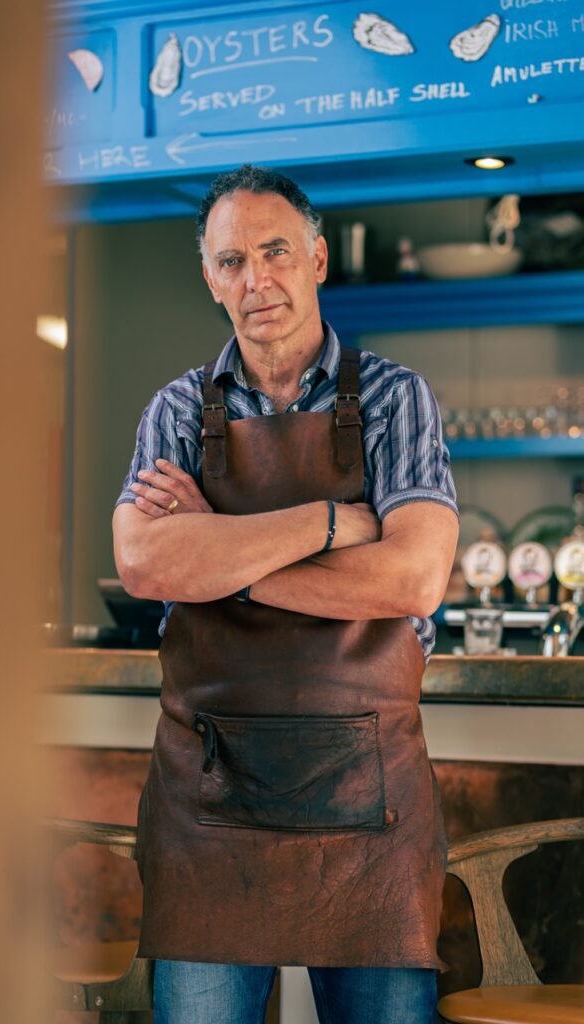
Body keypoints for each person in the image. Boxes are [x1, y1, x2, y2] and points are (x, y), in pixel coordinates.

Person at [112, 164, 459, 1024]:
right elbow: (146, 565)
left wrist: (224, 567)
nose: (256, 280)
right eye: (231, 261)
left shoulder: (395, 400)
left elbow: (413, 577)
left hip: (370, 807)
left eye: (275, 252)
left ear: (318, 258)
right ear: (210, 280)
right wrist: (336, 523)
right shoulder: (174, 412)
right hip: (207, 811)